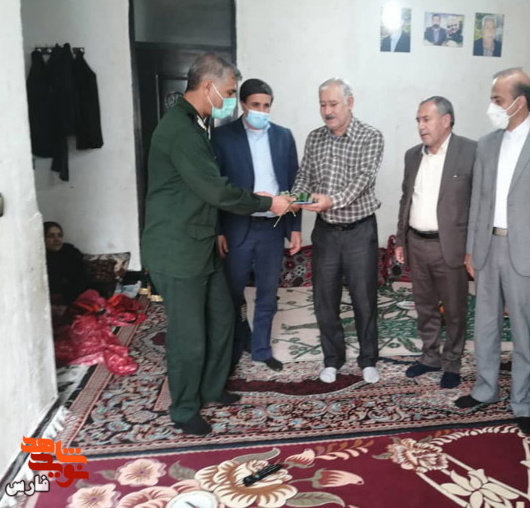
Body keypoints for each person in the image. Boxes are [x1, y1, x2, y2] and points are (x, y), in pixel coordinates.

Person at [141, 53, 292, 436]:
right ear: (208, 86)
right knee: (189, 336)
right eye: (227, 92)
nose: (228, 100)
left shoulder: (195, 124)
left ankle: (212, 387)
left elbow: (209, 187)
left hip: (201, 245)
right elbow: (215, 189)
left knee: (223, 317)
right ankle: (184, 408)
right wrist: (266, 203)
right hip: (178, 249)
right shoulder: (180, 130)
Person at [456, 68, 530, 436]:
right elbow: (478, 200)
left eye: (498, 99)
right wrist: (470, 249)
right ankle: (485, 388)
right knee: (485, 323)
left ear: (519, 102)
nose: (492, 106)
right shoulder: (486, 143)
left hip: (528, 249)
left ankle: (524, 401)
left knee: (525, 328)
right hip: (487, 246)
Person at [292, 78, 383, 384]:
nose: (327, 111)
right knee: (324, 299)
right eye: (322, 105)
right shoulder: (315, 138)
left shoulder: (370, 136)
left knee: (364, 298)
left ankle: (368, 359)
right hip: (326, 233)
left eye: (333, 104)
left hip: (359, 231)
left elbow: (363, 180)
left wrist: (331, 201)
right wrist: (297, 198)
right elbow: (304, 176)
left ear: (350, 103)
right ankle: (332, 359)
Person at [212, 78, 301, 373]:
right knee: (232, 294)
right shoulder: (223, 137)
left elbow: (294, 184)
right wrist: (218, 230)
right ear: (242, 105)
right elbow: (215, 188)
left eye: (266, 106)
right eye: (255, 105)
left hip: (272, 228)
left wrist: (295, 228)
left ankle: (261, 349)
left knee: (267, 294)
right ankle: (236, 344)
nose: (261, 111)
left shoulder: (284, 137)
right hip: (237, 226)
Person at [395, 96, 476, 389]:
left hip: (450, 245)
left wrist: (472, 249)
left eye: (426, 119)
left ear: (446, 120)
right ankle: (430, 356)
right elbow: (406, 198)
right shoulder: (412, 156)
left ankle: (452, 362)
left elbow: (479, 203)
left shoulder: (470, 151)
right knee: (425, 306)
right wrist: (401, 239)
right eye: (418, 120)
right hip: (417, 243)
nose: (421, 126)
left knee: (454, 309)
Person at [44, 221, 87, 306]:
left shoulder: (71, 253)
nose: (57, 240)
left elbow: (80, 280)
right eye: (51, 236)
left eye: (60, 235)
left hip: (73, 296)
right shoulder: (39, 258)